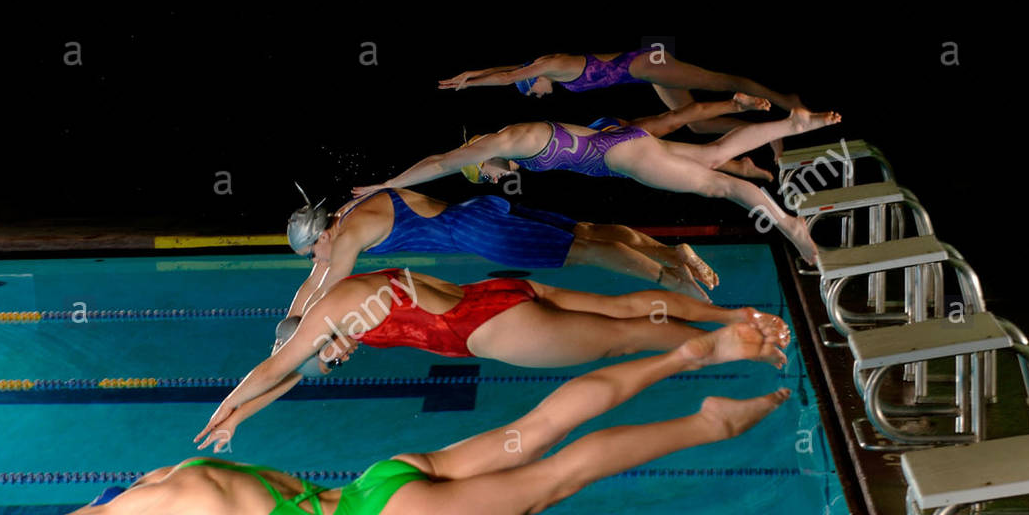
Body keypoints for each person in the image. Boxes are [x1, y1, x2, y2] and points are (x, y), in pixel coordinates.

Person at [0, 333, 792, 515]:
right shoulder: (177, 488)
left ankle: (708, 421)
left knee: (554, 479)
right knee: (538, 428)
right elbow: (100, 510)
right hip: (382, 480)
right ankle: (688, 356)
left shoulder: (169, 507)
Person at [194, 269, 790, 449]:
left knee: (626, 336)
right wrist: (242, 420)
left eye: (327, 349)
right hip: (495, 293)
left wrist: (222, 406)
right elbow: (293, 374)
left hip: (488, 327)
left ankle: (738, 338)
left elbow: (275, 368)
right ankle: (737, 315)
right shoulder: (331, 317)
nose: (337, 355)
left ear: (310, 330)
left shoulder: (332, 313)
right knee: (622, 308)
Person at [350, 109, 842, 263]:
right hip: (622, 146)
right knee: (715, 156)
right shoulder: (515, 142)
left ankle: (790, 225)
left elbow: (440, 161)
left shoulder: (507, 140)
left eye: (489, 173)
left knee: (722, 188)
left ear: (484, 157)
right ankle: (793, 124)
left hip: (623, 155)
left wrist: (388, 182)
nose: (499, 179)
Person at [285, 179, 720, 312]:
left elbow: (325, 285)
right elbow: (316, 276)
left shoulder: (348, 234)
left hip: (481, 235)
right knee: (588, 229)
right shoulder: (348, 211)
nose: (316, 259)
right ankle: (672, 251)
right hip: (480, 210)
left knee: (583, 250)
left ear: (322, 235)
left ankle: (670, 277)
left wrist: (289, 335)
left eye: (313, 252)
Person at [438, 45, 808, 134]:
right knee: (694, 125)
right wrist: (473, 72)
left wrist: (471, 84)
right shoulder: (540, 70)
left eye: (533, 92)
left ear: (532, 79)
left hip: (649, 63)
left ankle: (785, 101)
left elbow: (506, 77)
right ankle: (766, 130)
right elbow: (509, 71)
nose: (539, 95)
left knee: (723, 81)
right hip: (646, 74)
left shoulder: (551, 65)